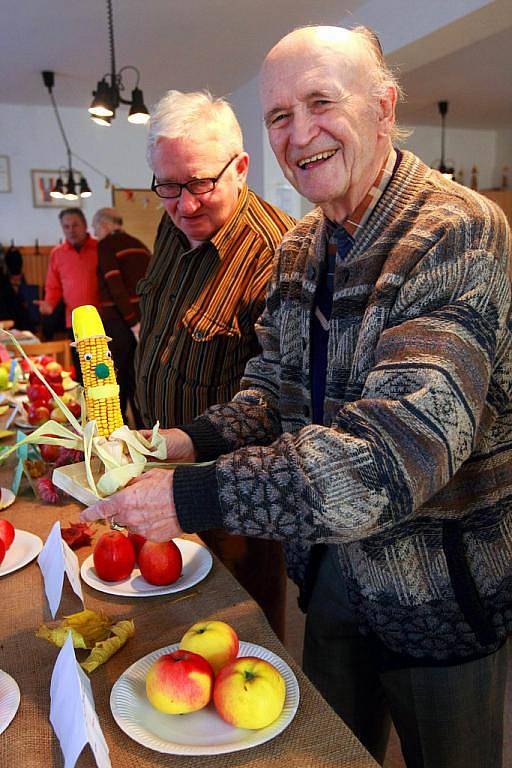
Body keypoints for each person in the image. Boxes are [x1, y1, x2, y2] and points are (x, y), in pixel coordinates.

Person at [82, 27, 512, 768]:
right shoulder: (300, 248)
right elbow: (270, 395)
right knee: (324, 753)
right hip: (329, 575)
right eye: (279, 114)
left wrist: (191, 497)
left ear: (383, 106)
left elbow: (392, 455)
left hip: (437, 594)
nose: (299, 132)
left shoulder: (457, 231)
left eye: (321, 102)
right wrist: (177, 444)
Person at [134, 90, 295, 639]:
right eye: (168, 186)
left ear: (241, 167)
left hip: (231, 500)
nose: (185, 205)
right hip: (157, 464)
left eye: (201, 183)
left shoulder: (280, 254)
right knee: (166, 624)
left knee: (240, 631)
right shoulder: (174, 218)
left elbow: (280, 402)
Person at [92, 207, 150, 426]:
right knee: (138, 376)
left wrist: (132, 322)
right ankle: (144, 429)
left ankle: (120, 429)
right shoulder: (139, 244)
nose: (95, 233)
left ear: (105, 225)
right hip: (144, 320)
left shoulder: (106, 244)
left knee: (117, 377)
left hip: (119, 321)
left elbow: (115, 285)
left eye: (96, 227)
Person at [37, 208, 99, 379]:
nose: (71, 230)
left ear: (85, 225)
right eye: (66, 226)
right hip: (74, 321)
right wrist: (49, 304)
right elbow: (53, 285)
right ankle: (83, 405)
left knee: (103, 370)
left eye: (75, 225)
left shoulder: (100, 247)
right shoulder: (57, 253)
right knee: (81, 372)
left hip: (102, 320)